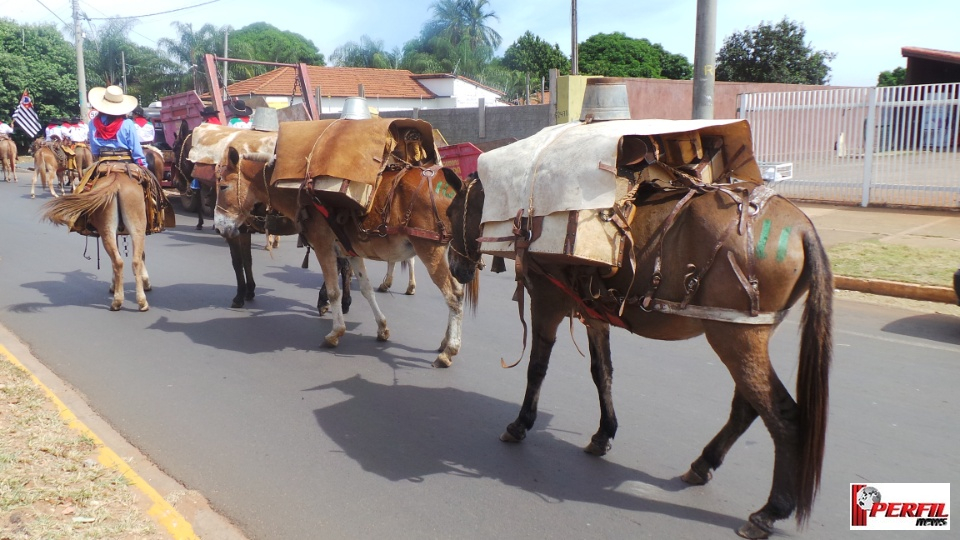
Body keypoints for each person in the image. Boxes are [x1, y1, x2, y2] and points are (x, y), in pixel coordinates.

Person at [87, 85, 146, 167]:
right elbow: (136, 149)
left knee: (85, 178)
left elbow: (95, 150)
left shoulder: (92, 123)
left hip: (102, 161)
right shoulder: (128, 123)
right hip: (125, 161)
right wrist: (142, 165)